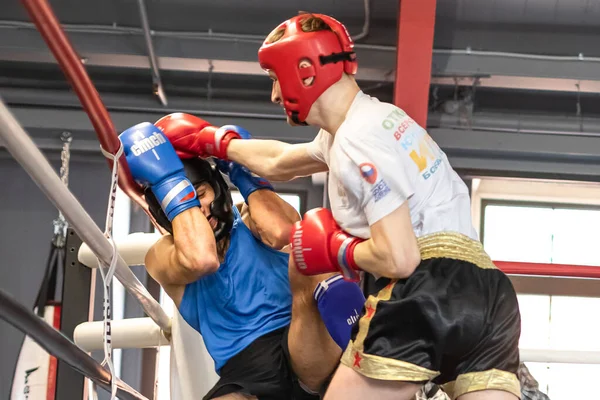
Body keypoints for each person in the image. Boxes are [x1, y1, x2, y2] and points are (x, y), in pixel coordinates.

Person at [151, 12, 523, 400]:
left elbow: (400, 259)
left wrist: (335, 248)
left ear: (306, 72)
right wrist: (214, 142)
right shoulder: (375, 119)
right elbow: (281, 161)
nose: (276, 96)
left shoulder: (354, 143)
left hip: (427, 289)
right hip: (489, 295)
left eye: (276, 79)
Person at [118, 122, 366, 399]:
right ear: (166, 214)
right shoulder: (162, 255)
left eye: (200, 194)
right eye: (184, 199)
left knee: (313, 243)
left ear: (217, 189)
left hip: (306, 347)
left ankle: (365, 363)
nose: (198, 205)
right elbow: (201, 259)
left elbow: (282, 232)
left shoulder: (251, 219)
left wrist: (241, 168)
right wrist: (167, 180)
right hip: (246, 376)